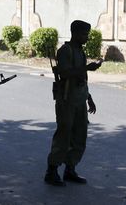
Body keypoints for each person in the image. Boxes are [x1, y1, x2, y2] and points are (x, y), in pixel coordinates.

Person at [44, 20, 103, 186]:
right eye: (84, 34)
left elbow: (81, 78)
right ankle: (52, 170)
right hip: (66, 99)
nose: (87, 37)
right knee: (64, 134)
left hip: (80, 99)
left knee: (80, 136)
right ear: (75, 33)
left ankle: (70, 169)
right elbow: (64, 72)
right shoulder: (65, 51)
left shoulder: (80, 51)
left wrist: (89, 98)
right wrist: (87, 68)